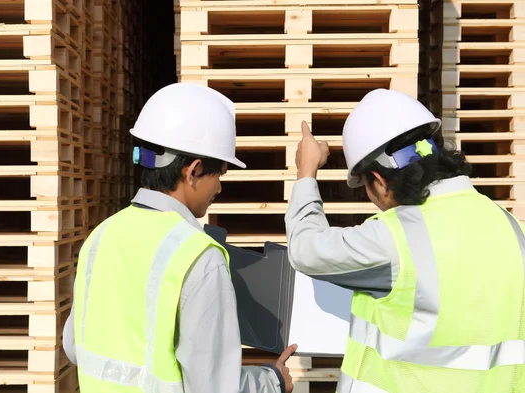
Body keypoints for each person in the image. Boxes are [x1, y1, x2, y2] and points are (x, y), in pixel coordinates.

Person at [285, 88, 525, 392]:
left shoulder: (398, 235)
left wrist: (306, 172)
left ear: (381, 181)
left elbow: (306, 250)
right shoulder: (510, 226)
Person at [62, 82, 297, 393]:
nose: (219, 188)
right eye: (220, 174)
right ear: (193, 170)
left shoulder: (101, 236)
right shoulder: (198, 256)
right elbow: (213, 388)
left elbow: (74, 346)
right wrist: (272, 379)